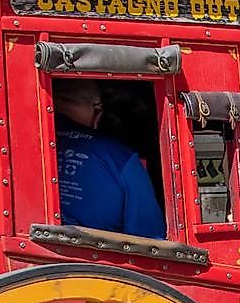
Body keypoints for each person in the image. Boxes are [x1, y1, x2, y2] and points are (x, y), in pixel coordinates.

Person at [55, 78, 165, 237]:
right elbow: (152, 240)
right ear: (97, 108)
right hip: (96, 260)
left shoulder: (21, 143)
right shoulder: (122, 159)